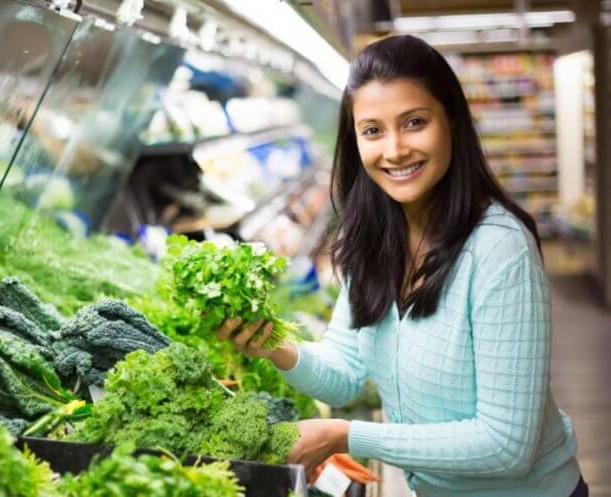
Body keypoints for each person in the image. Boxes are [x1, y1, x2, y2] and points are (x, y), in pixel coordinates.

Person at [216, 35, 587, 497]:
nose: (394, 150)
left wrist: (346, 435)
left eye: (414, 122)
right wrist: (272, 341)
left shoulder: (499, 249)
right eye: (372, 130)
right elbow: (344, 373)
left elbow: (506, 445)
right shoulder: (369, 238)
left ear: (451, 120)